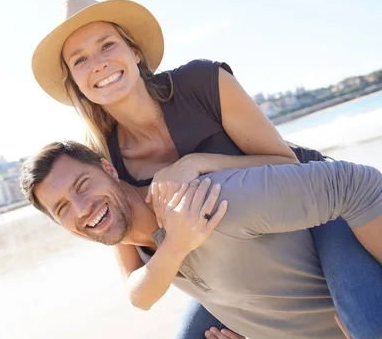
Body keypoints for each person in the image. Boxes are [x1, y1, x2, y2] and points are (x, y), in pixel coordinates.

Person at [30, 0, 382, 338]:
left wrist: (195, 163)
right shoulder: (102, 164)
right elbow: (137, 280)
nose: (99, 63)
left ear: (135, 51)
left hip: (314, 210)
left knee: (362, 323)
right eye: (80, 60)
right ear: (75, 82)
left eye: (107, 45)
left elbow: (284, 163)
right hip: (227, 258)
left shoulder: (199, 84)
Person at [19, 140, 382, 339]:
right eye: (62, 209)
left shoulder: (210, 200)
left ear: (109, 168)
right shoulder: (147, 256)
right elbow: (139, 295)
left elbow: (358, 184)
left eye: (83, 185)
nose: (81, 209)